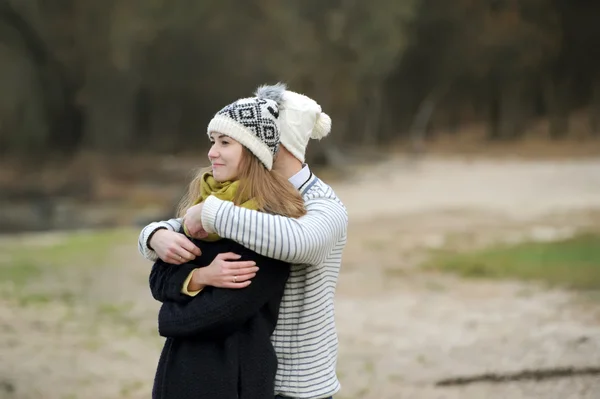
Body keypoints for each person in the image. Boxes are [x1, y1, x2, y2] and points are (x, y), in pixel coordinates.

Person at [140, 84, 348, 399]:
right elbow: (184, 229)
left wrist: (208, 213)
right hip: (248, 373)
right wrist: (155, 234)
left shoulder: (321, 203)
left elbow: (301, 242)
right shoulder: (239, 197)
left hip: (299, 383)